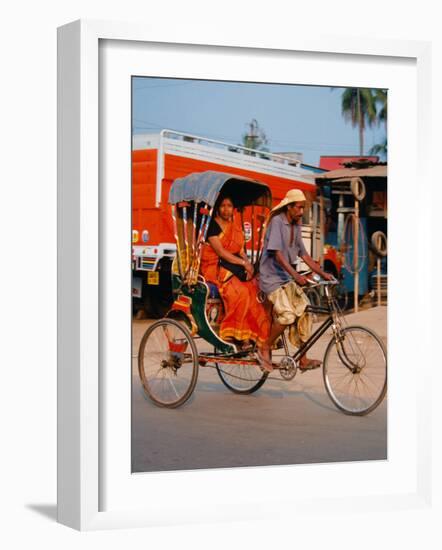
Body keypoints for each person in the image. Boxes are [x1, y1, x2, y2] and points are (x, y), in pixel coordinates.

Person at [259, 189, 333, 372]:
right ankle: (265, 346)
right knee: (288, 315)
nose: (301, 211)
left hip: (286, 278)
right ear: (289, 207)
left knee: (305, 311)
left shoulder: (296, 225)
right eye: (299, 208)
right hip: (271, 279)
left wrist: (324, 274)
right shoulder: (277, 222)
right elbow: (277, 255)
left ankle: (303, 359)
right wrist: (296, 275)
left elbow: (304, 255)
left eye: (303, 208)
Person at [200, 195, 271, 364]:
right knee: (240, 292)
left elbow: (239, 250)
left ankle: (254, 336)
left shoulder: (234, 227)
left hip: (232, 267)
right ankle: (237, 335)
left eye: (229, 206)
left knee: (254, 291)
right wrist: (243, 264)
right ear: (218, 208)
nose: (226, 209)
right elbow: (221, 252)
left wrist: (248, 264)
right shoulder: (212, 226)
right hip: (214, 267)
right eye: (223, 206)